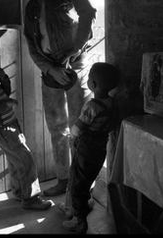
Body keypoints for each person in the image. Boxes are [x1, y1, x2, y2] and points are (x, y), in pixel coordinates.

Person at [12, 0, 97, 196]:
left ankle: (83, 185)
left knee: (80, 128)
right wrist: (50, 69)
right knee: (57, 129)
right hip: (50, 72)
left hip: (76, 68)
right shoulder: (30, 8)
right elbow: (31, 43)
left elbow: (88, 13)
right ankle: (63, 179)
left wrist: (74, 51)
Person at [0, 45, 52, 210]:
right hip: (4, 128)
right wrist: (6, 105)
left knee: (16, 160)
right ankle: (31, 199)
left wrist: (4, 81)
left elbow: (4, 94)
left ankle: (20, 192)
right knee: (26, 160)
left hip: (10, 125)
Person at [62, 62, 120, 234]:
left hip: (86, 148)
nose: (87, 81)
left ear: (93, 85)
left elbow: (78, 128)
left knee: (78, 181)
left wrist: (71, 135)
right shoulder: (112, 104)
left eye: (89, 79)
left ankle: (79, 221)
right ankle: (83, 204)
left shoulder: (91, 106)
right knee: (88, 178)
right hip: (100, 148)